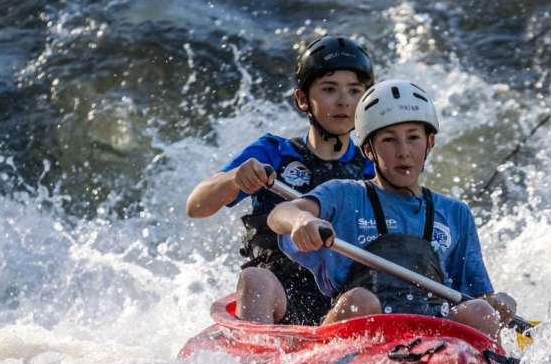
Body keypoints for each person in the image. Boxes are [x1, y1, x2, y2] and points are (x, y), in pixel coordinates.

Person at [268, 79, 517, 339]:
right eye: (389, 140)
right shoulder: (345, 194)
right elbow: (280, 214)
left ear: (430, 142)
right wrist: (301, 219)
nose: (403, 152)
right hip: (363, 332)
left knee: (480, 311)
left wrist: (498, 302)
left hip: (433, 338)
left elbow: (478, 296)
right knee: (360, 300)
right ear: (368, 149)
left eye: (413, 138)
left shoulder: (456, 213)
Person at [186, 35, 376, 325]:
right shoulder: (274, 152)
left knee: (365, 297)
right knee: (254, 278)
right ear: (302, 99)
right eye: (329, 89)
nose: (344, 101)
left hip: (342, 304)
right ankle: (255, 351)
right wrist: (235, 179)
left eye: (354, 90)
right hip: (278, 298)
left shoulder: (371, 168)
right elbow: (196, 206)